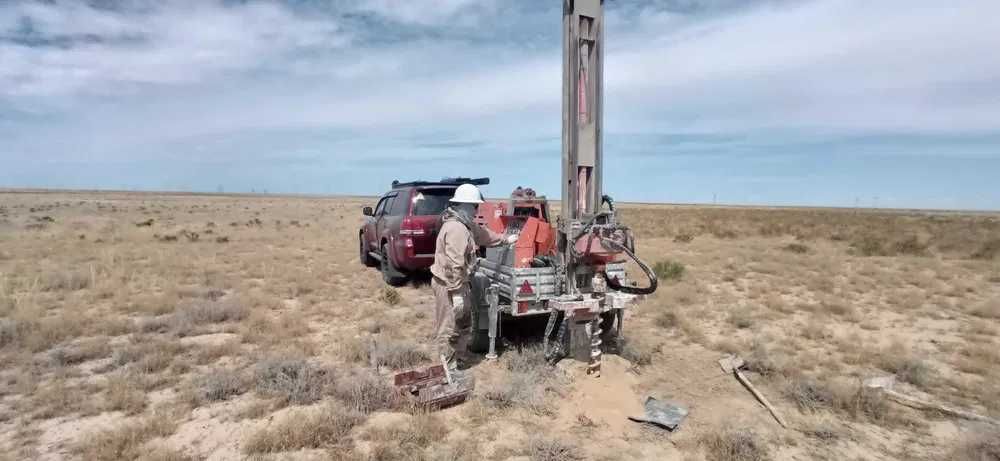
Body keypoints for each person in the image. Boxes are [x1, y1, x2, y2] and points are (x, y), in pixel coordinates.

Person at [430, 183, 517, 374]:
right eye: (475, 206)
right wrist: (456, 293)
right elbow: (454, 264)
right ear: (464, 205)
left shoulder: (465, 224)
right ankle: (448, 368)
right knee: (449, 327)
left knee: (463, 323)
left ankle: (458, 360)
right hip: (449, 284)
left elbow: (483, 235)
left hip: (459, 283)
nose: (477, 210)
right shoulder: (456, 228)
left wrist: (505, 239)